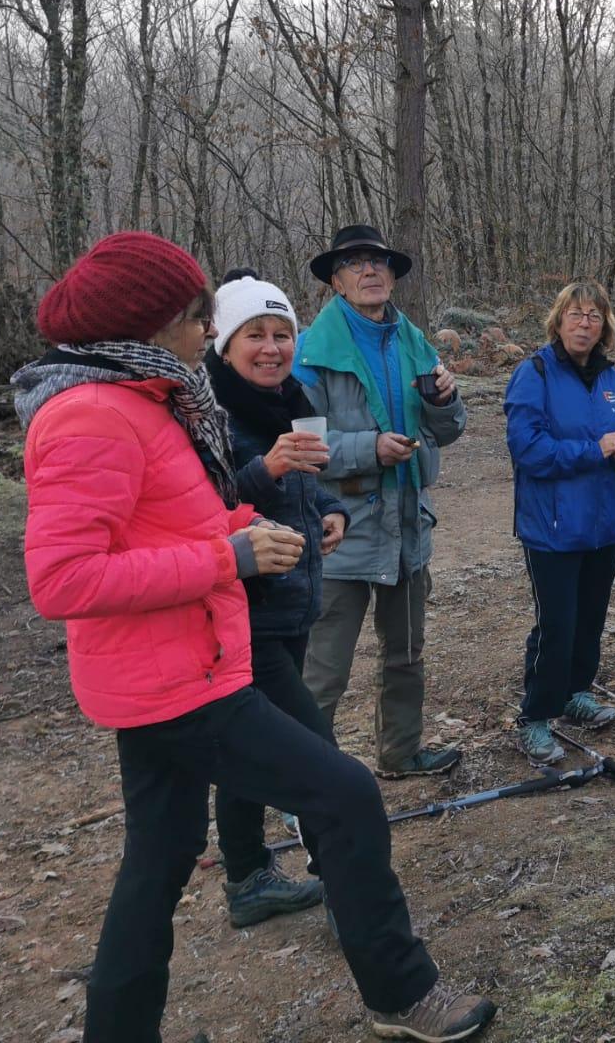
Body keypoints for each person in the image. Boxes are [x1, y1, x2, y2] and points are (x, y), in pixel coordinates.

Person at [14, 232, 496, 1043]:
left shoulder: (147, 399)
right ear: (146, 320)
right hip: (175, 680)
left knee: (159, 860)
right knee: (344, 794)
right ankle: (401, 993)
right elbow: (62, 581)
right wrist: (226, 556)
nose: (205, 330)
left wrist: (256, 528)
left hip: (182, 665)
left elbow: (180, 516)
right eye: (196, 315)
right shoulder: (90, 415)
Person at [202, 271, 346, 927]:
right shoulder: (206, 412)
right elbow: (205, 506)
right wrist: (269, 468)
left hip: (293, 602)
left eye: (282, 333)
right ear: (224, 344)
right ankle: (350, 884)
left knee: (246, 752)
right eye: (254, 335)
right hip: (242, 615)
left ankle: (249, 876)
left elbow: (309, 486)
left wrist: (330, 511)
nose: (271, 347)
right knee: (315, 752)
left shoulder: (291, 397)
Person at [295, 225, 466, 778]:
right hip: (341, 529)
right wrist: (369, 448)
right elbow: (301, 444)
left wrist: (446, 399)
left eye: (378, 262)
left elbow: (449, 428)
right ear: (337, 282)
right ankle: (306, 779)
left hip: (408, 523)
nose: (369, 271)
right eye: (355, 264)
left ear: (391, 276)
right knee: (325, 668)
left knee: (407, 652)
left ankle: (401, 751)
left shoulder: (415, 343)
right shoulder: (311, 353)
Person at [504, 281, 615, 763]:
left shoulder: (611, 380)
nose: (585, 323)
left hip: (604, 522)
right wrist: (595, 450)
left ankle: (576, 692)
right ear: (559, 320)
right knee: (556, 624)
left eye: (595, 316)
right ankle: (535, 716)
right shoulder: (534, 373)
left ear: (605, 327)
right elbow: (528, 449)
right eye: (576, 314)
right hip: (552, 526)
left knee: (590, 617)